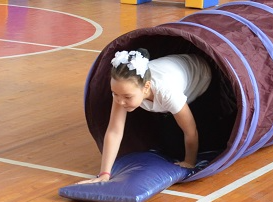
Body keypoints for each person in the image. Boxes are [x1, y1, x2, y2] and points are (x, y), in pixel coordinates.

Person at [75, 49, 212, 183]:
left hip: (201, 76)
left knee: (177, 146)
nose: (120, 101)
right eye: (115, 94)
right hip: (174, 75)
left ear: (146, 87)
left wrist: (189, 162)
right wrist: (104, 174)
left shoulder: (167, 92)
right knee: (166, 141)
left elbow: (190, 131)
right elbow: (114, 131)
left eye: (128, 96)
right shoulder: (122, 91)